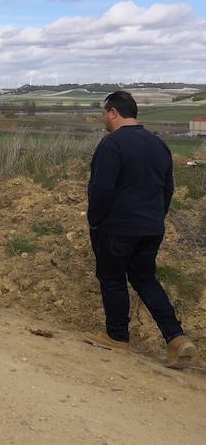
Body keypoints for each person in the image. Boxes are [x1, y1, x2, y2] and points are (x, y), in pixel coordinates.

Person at [83, 91, 197, 368]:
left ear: (113, 112)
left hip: (117, 226)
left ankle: (117, 337)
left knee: (112, 278)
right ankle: (176, 339)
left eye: (103, 112)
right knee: (146, 279)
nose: (103, 118)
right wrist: (156, 217)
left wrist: (94, 219)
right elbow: (167, 188)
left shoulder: (112, 145)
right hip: (151, 226)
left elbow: (102, 188)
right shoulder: (158, 144)